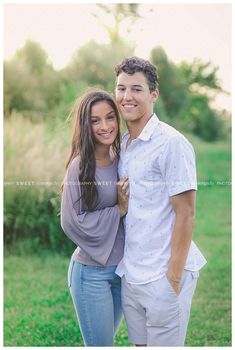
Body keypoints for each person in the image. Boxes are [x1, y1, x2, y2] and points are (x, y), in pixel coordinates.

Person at [114, 56, 207, 347]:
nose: (127, 96)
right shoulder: (125, 144)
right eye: (121, 88)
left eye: (137, 89)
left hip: (164, 276)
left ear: (154, 94)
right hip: (132, 273)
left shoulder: (172, 143)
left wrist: (173, 278)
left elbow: (187, 214)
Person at [60, 90, 129, 346]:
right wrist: (117, 210)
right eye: (95, 120)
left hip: (123, 271)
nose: (105, 126)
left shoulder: (124, 158)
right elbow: (70, 221)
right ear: (85, 125)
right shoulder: (80, 166)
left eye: (110, 117)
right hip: (91, 274)